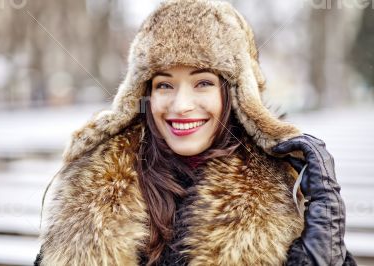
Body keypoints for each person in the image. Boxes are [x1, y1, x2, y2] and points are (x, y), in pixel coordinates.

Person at [34, 0, 356, 265]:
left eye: (202, 82)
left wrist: (323, 257)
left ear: (235, 96)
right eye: (164, 85)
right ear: (143, 95)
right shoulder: (92, 193)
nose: (181, 105)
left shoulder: (282, 193)